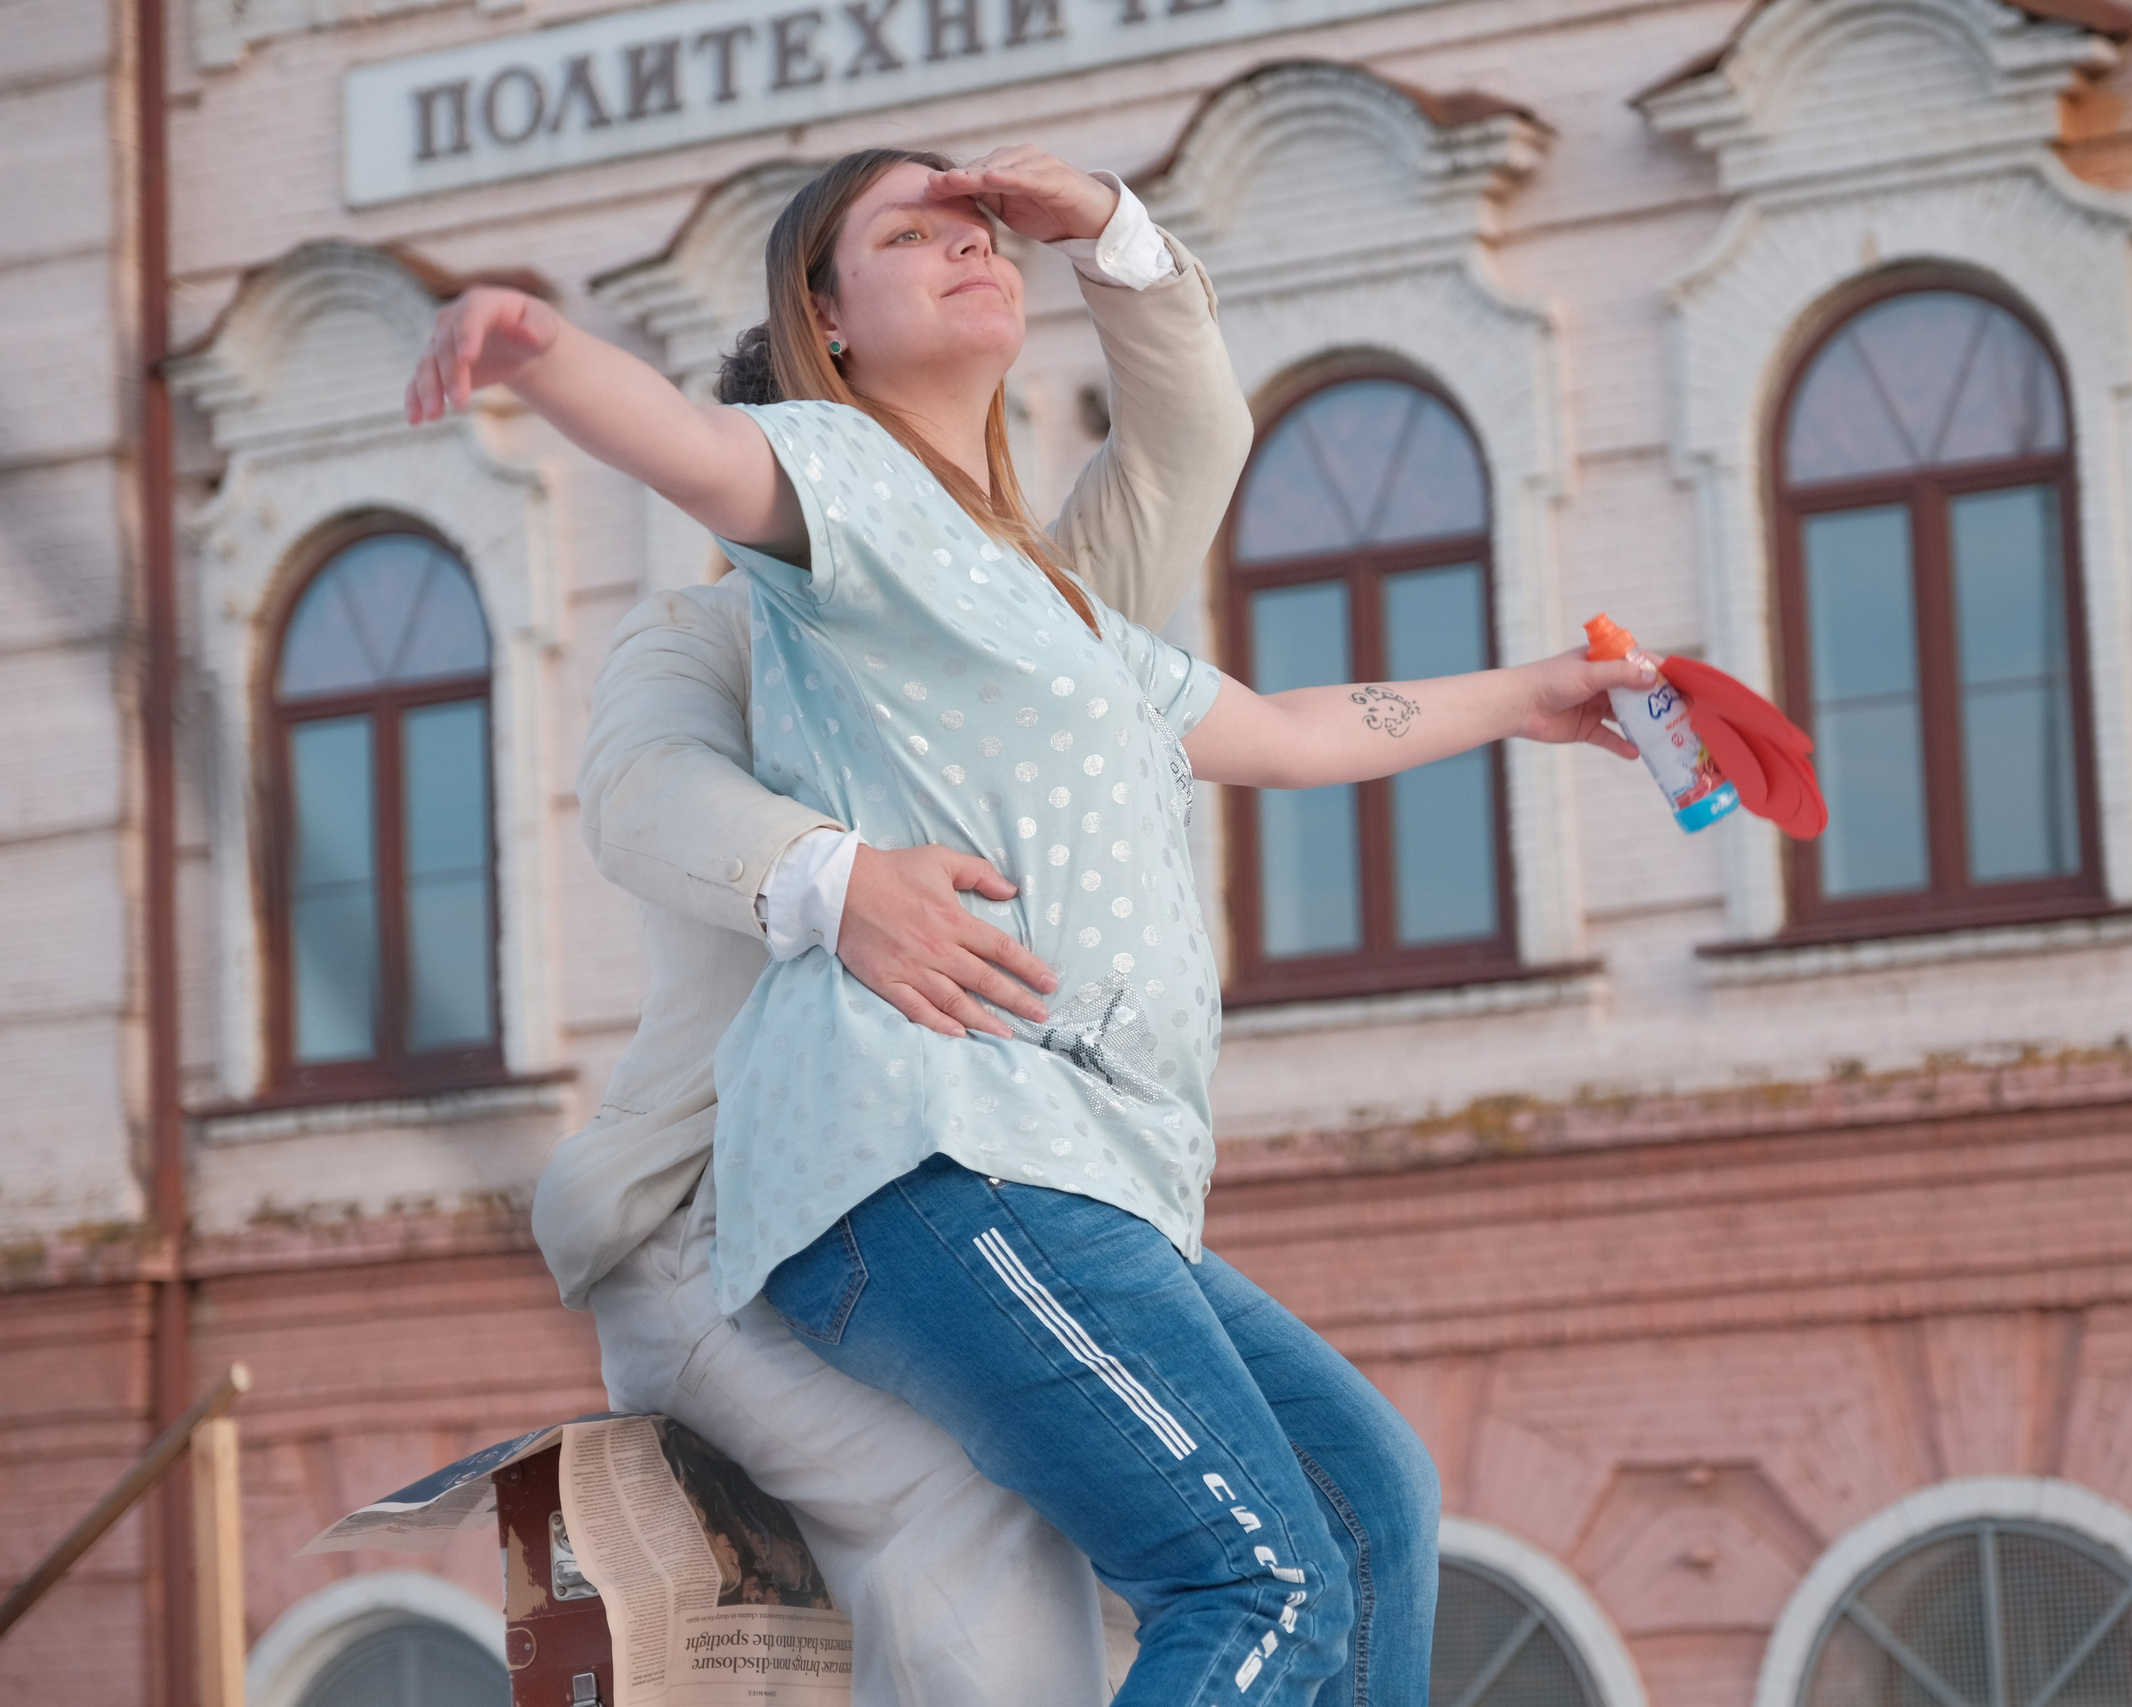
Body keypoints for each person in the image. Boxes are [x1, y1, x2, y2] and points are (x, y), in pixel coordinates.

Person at [409, 142, 1649, 1705]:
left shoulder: (1054, 608)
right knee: (1237, 1576)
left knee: (1371, 1502)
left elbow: (1288, 724)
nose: (968, 250)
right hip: (905, 1153)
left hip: (1079, 1161)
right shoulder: (820, 507)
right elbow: (685, 494)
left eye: (976, 229)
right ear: (823, 333)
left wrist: (1536, 693)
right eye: (910, 237)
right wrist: (539, 347)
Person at [528, 150, 1249, 1705]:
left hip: (956, 1190)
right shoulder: (711, 630)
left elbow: (1185, 451)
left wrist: (1113, 237)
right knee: (980, 1517)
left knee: (1282, 1517)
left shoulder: (1021, 622)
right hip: (724, 1232)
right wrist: (833, 876)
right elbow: (644, 793)